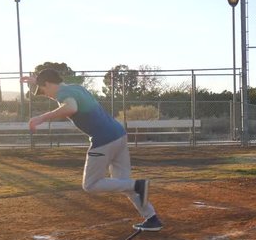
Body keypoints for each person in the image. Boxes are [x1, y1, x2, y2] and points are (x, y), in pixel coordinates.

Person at [20, 68, 163, 230]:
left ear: (48, 83)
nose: (46, 95)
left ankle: (138, 185)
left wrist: (41, 118)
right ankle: (152, 218)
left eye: (44, 90)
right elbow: (66, 98)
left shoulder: (63, 94)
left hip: (104, 140)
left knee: (90, 184)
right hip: (119, 135)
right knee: (123, 183)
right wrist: (36, 81)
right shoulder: (76, 88)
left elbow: (71, 107)